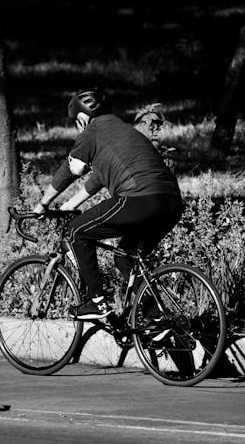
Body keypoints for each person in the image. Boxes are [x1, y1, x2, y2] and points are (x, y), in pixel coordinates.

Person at [33, 88, 183, 320]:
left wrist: (43, 204)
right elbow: (97, 180)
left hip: (138, 199)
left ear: (83, 118)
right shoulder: (125, 132)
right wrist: (67, 206)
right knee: (125, 257)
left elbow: (71, 170)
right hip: (171, 202)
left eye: (76, 122)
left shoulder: (92, 132)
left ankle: (97, 303)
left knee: (76, 232)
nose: (76, 127)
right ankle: (157, 320)